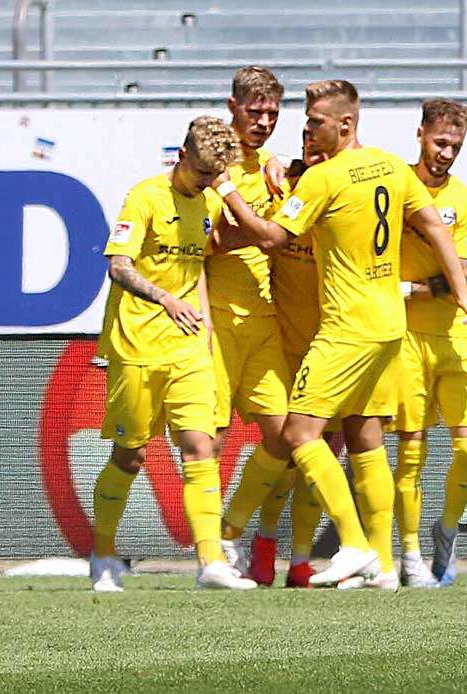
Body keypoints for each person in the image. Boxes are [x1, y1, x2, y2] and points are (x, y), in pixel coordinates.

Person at [213, 80, 467, 588]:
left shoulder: (323, 180)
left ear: (345, 124)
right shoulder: (391, 165)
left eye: (316, 122)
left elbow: (270, 237)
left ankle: (353, 543)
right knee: (366, 441)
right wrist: (462, 292)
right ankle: (387, 568)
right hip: (390, 325)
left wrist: (226, 187)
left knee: (298, 434)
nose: (307, 129)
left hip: (345, 326)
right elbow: (434, 226)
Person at [89, 115, 256, 592]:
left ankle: (210, 564)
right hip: (138, 345)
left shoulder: (205, 203)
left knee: (201, 447)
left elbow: (197, 268)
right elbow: (118, 268)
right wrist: (166, 299)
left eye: (214, 175)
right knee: (131, 454)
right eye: (202, 171)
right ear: (181, 156)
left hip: (188, 348)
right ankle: (102, 555)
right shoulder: (144, 197)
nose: (207, 182)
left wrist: (203, 324)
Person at [202, 67, 297, 577]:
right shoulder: (209, 165)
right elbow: (210, 241)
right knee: (210, 439)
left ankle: (232, 529)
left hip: (265, 317)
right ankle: (210, 555)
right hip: (216, 317)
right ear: (231, 106)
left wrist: (261, 227)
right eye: (254, 111)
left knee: (284, 435)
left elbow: (268, 232)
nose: (263, 122)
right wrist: (266, 232)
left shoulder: (272, 167)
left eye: (272, 114)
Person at [394, 98, 467, 588]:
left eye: (455, 145)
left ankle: (445, 530)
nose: (446, 153)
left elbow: (462, 277)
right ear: (420, 135)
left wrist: (403, 289)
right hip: (405, 338)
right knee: (411, 450)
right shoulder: (393, 187)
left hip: (456, 335)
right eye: (439, 142)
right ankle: (409, 556)